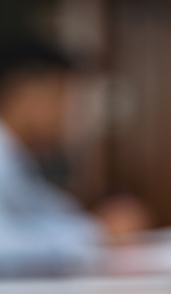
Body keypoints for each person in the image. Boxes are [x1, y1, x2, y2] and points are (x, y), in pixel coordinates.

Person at [0, 40, 104, 276]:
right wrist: (95, 236)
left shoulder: (17, 158)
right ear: (25, 94)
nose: (70, 116)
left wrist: (95, 229)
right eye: (62, 99)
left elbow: (49, 212)